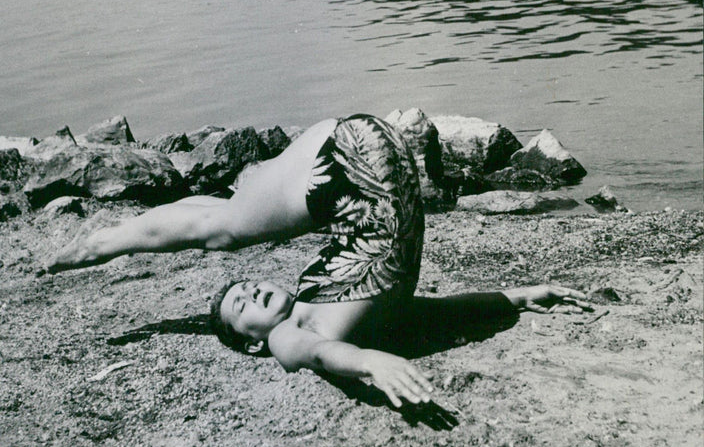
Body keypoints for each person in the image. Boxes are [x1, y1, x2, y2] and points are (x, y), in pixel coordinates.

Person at [46, 114, 591, 408]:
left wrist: (367, 361)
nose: (250, 291)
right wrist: (523, 296)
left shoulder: (301, 318)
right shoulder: (300, 334)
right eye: (242, 307)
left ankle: (97, 244)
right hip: (375, 166)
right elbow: (435, 315)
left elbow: (326, 351)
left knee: (227, 229)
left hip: (345, 169)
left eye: (242, 289)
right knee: (225, 226)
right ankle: (104, 241)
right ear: (253, 342)